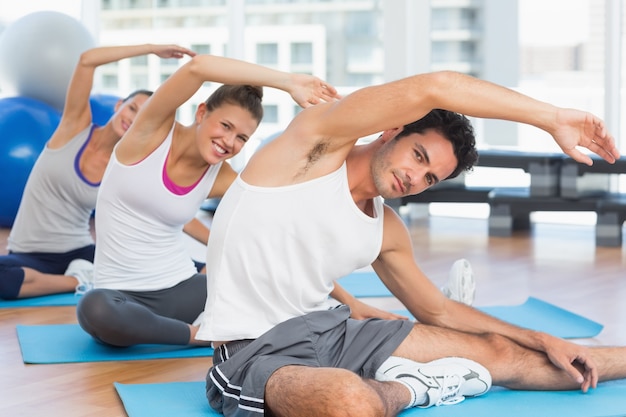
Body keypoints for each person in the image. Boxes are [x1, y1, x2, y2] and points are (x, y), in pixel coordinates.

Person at [194, 63, 626, 416]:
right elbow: (436, 87)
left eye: (430, 177)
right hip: (253, 348)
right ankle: (415, 387)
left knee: (500, 352)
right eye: (418, 155)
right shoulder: (313, 149)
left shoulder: (387, 229)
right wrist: (550, 117)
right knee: (348, 401)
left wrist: (542, 338)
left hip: (332, 331)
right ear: (391, 130)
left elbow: (436, 309)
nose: (414, 178)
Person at [76, 53, 384, 347]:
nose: (229, 142)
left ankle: (341, 325)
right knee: (96, 310)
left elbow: (281, 235)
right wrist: (289, 82)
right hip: (117, 294)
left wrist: (350, 301)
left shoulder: (222, 176)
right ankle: (203, 335)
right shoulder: (150, 135)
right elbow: (198, 68)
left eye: (242, 138)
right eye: (225, 126)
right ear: (201, 112)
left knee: (267, 285)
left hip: (181, 289)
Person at [0, 44, 195, 300]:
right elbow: (87, 60)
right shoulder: (74, 128)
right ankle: (79, 279)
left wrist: (217, 240)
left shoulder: (125, 167)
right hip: (28, 253)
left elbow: (168, 210)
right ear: (118, 106)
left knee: (171, 268)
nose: (133, 119)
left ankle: (215, 277)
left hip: (82, 251)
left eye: (143, 119)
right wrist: (151, 49)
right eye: (132, 108)